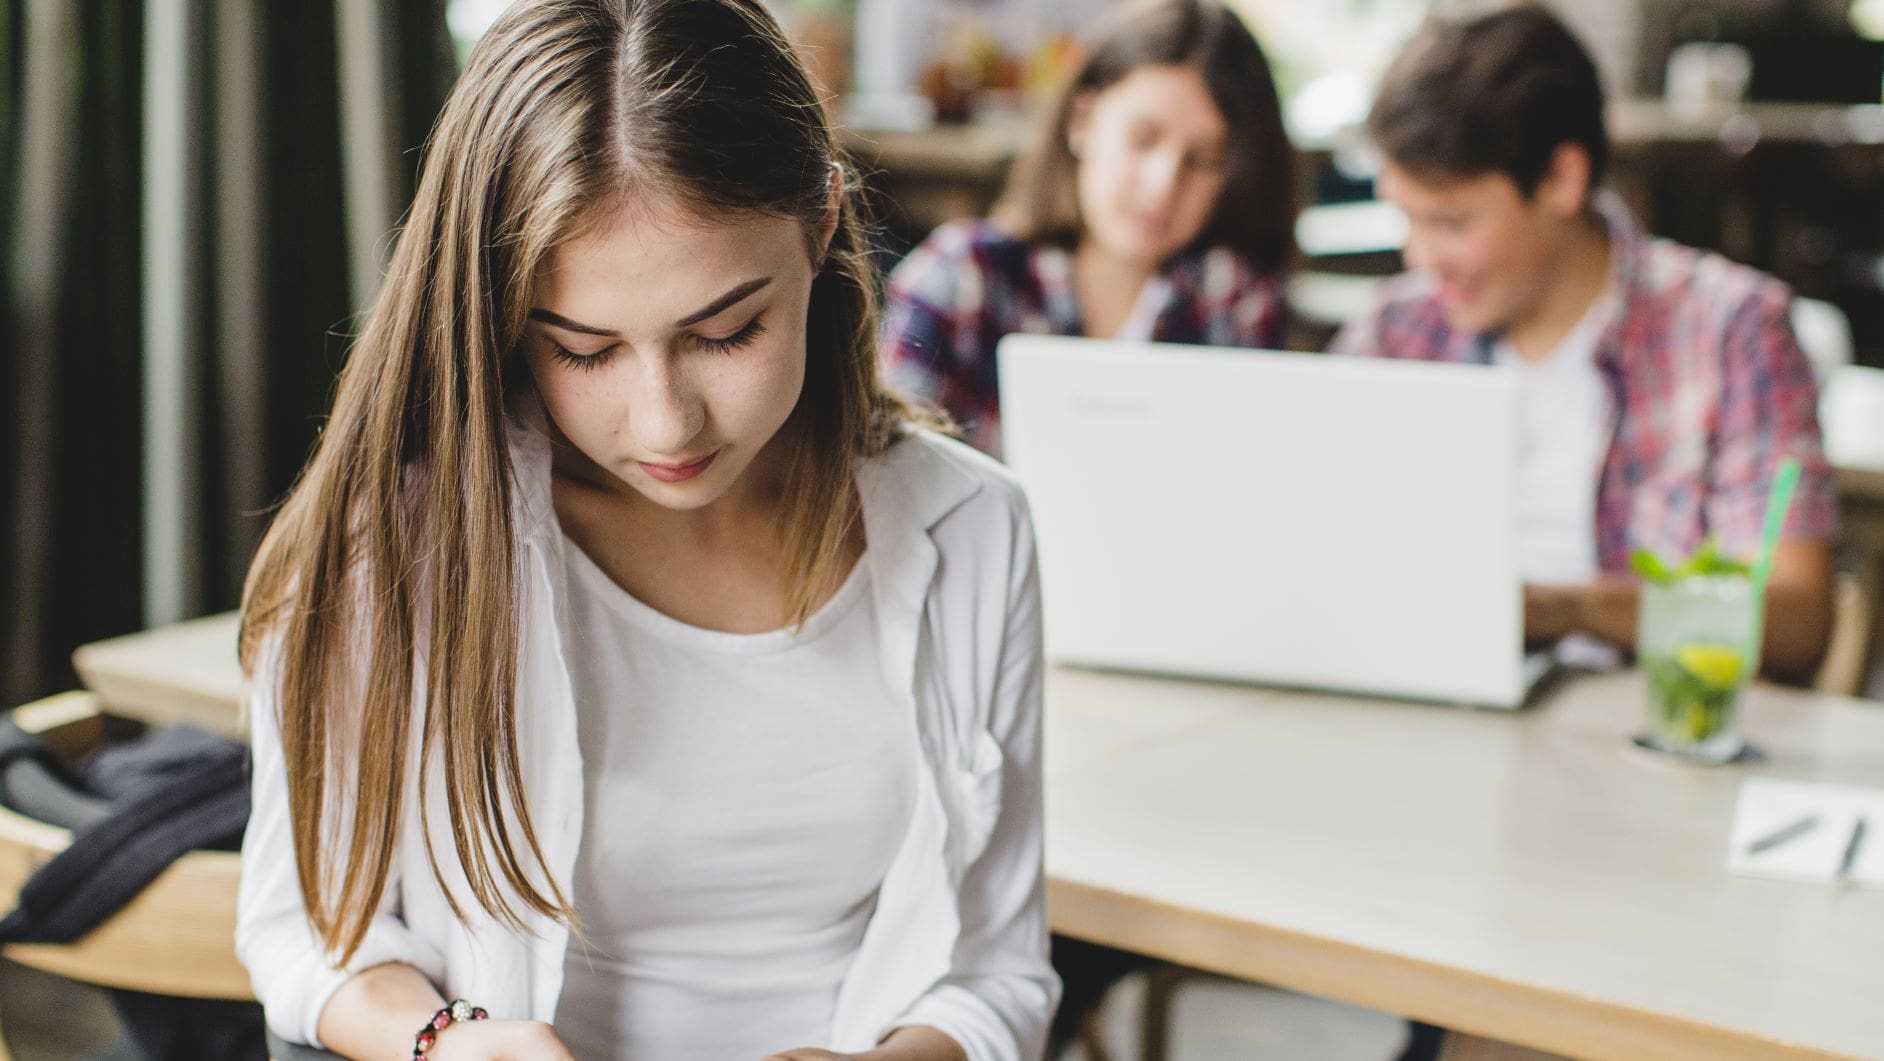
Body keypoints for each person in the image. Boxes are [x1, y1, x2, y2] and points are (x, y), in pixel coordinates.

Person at [233, 1, 1057, 1058]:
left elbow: (995, 974)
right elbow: (304, 930)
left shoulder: (977, 530)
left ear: (821, 229)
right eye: (583, 350)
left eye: (726, 331)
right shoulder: (400, 544)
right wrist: (446, 1038)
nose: (665, 420)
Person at [1331, 2, 1837, 683]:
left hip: (1633, 731)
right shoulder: (1396, 330)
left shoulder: (1730, 329)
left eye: (1450, 222)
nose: (1421, 258)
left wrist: (1566, 607)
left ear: (1561, 179)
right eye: (1407, 219)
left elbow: (1798, 621)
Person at [880, 0, 1297, 455]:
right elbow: (884, 474)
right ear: (1082, 122)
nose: (1162, 186)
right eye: (1143, 139)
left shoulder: (1235, 299)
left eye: (1203, 160)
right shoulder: (962, 278)